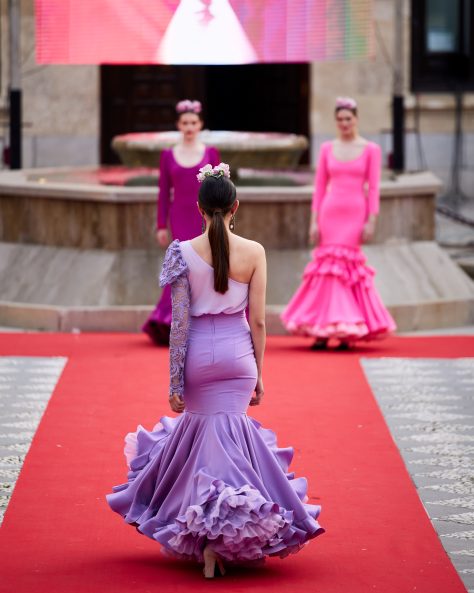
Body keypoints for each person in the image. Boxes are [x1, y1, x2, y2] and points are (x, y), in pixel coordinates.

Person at [107, 163, 324, 578]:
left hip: (198, 358)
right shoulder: (255, 252)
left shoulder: (181, 251)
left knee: (201, 445)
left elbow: (180, 323)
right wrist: (259, 372)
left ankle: (206, 537)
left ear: (199, 208)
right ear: (236, 206)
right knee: (231, 440)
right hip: (238, 354)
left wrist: (174, 382)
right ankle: (223, 532)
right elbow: (258, 320)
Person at [281, 97, 396, 350]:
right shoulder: (326, 149)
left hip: (356, 213)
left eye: (348, 118)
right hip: (329, 213)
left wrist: (371, 221)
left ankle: (346, 331)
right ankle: (322, 329)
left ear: (356, 119)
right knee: (326, 270)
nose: (344, 123)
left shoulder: (371, 150)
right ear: (336, 122)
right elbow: (320, 187)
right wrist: (314, 222)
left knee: (346, 271)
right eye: (340, 119)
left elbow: (374, 188)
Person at [142, 99, 220, 345]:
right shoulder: (167, 155)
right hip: (179, 217)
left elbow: (218, 190)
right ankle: (170, 320)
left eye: (193, 123)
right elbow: (163, 193)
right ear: (178, 125)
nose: (189, 127)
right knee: (180, 267)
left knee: (203, 267)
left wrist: (217, 221)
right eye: (185, 123)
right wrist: (161, 225)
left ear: (200, 125)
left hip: (203, 218)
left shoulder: (211, 153)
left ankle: (203, 320)